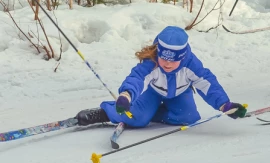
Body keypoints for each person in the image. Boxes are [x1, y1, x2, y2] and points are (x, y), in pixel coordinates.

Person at [75, 26, 247, 128]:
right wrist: (126, 95)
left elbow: (207, 84)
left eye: (173, 61)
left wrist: (225, 104)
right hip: (153, 92)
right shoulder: (153, 63)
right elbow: (137, 78)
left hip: (179, 93)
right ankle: (107, 112)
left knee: (189, 117)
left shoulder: (191, 64)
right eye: (163, 57)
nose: (167, 64)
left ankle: (151, 114)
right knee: (137, 119)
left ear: (182, 57)